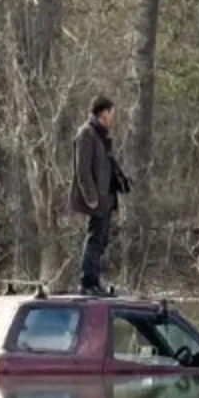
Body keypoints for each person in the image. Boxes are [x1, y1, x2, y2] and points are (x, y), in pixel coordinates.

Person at [69, 96, 131, 296]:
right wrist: (92, 198)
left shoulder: (102, 136)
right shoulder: (86, 134)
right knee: (94, 239)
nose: (113, 118)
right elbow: (83, 171)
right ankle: (87, 283)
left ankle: (95, 281)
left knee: (102, 240)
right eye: (111, 114)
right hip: (97, 199)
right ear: (103, 114)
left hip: (107, 197)